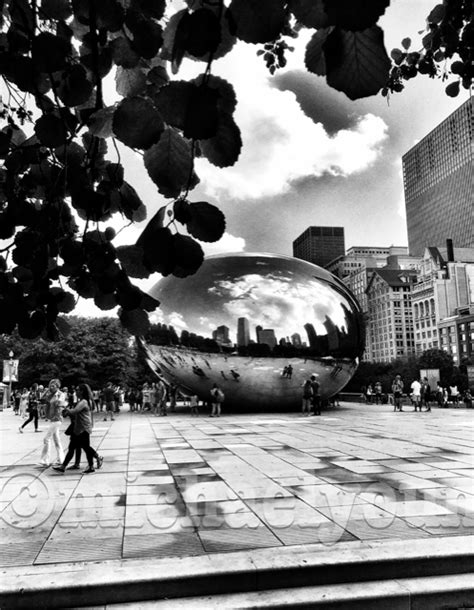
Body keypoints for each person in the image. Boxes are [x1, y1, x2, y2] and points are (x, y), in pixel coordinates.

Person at [53, 384, 103, 474]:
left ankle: (93, 464)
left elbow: (75, 411)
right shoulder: (83, 401)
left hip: (83, 427)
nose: (76, 392)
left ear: (82, 391)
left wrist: (65, 409)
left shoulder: (83, 402)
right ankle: (63, 466)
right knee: (72, 447)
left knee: (86, 447)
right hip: (78, 427)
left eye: (78, 390)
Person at [38, 379, 66, 467]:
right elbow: (41, 398)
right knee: (57, 440)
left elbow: (61, 404)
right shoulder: (51, 395)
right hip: (52, 419)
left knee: (46, 439)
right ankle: (61, 459)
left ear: (58, 386)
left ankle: (45, 460)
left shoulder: (61, 394)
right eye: (50, 385)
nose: (51, 387)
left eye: (53, 386)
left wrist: (56, 400)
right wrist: (46, 391)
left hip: (57, 419)